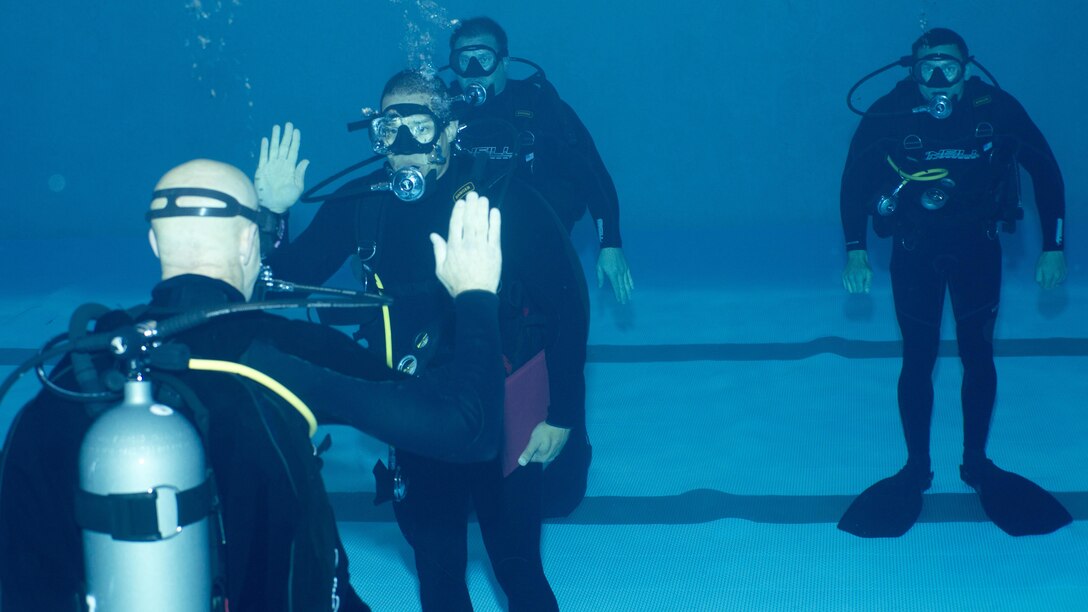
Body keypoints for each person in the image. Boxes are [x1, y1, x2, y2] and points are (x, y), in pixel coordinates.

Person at [0, 159, 506, 610]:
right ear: (249, 242)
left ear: (154, 242)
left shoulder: (69, 376)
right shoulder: (285, 355)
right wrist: (476, 295)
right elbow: (465, 430)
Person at [257, 68, 588, 610]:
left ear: (451, 130)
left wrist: (562, 414)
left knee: (517, 565)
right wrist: (274, 211)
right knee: (438, 572)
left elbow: (567, 307)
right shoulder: (360, 204)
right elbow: (281, 284)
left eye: (420, 127)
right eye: (389, 130)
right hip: (418, 412)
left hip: (505, 407)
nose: (404, 145)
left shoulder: (502, 198)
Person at [837, 28, 1072, 538]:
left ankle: (976, 463)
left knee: (978, 356)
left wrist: (1054, 246)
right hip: (915, 252)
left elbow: (1046, 172)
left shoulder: (997, 108)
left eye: (948, 66)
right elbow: (854, 178)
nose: (938, 79)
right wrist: (855, 249)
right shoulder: (891, 111)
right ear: (911, 71)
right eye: (927, 68)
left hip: (977, 251)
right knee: (917, 359)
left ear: (967, 68)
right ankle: (916, 469)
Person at [447, 16, 635, 305]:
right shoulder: (442, 115)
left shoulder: (539, 106)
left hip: (536, 247)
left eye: (483, 58)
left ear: (504, 61)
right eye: (464, 60)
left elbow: (591, 173)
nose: (473, 71)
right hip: (463, 252)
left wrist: (610, 244)